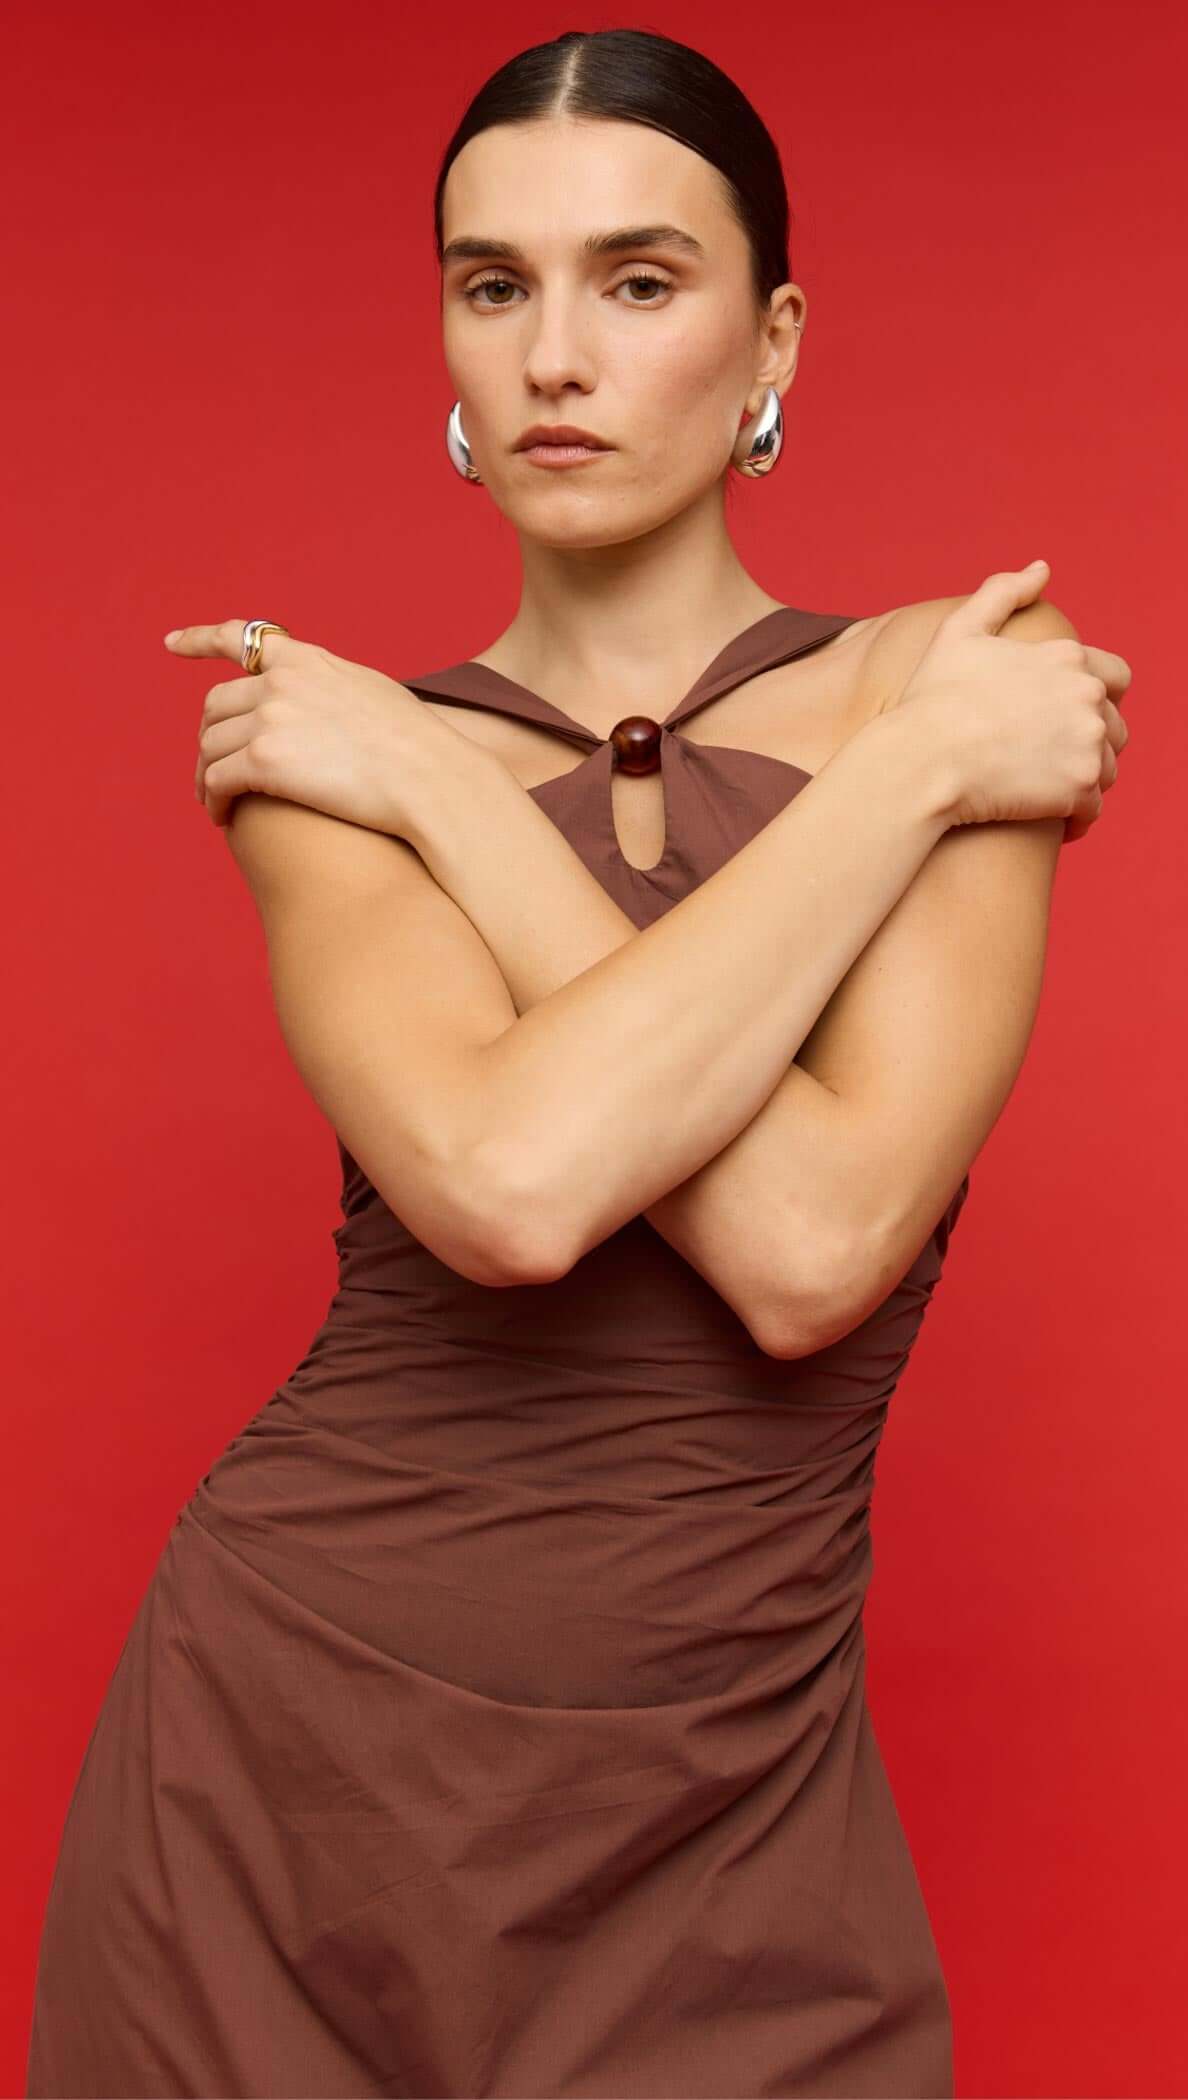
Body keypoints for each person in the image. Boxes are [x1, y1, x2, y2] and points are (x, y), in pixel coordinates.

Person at [26, 27, 1131, 2100]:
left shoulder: (937, 681)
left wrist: (451, 796)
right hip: (275, 1786)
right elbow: (509, 1190)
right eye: (493, 284)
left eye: (638, 281)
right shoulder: (342, 761)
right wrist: (893, 788)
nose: (554, 356)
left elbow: (814, 1251)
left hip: (732, 1832)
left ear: (770, 337)